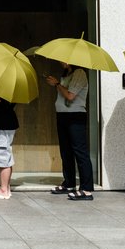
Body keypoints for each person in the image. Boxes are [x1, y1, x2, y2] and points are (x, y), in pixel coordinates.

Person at [45, 62, 94, 201]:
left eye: (62, 59)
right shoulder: (67, 74)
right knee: (66, 151)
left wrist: (56, 84)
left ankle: (86, 189)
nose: (60, 61)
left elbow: (70, 96)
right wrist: (58, 83)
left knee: (80, 151)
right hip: (63, 115)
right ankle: (69, 183)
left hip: (75, 116)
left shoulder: (79, 73)